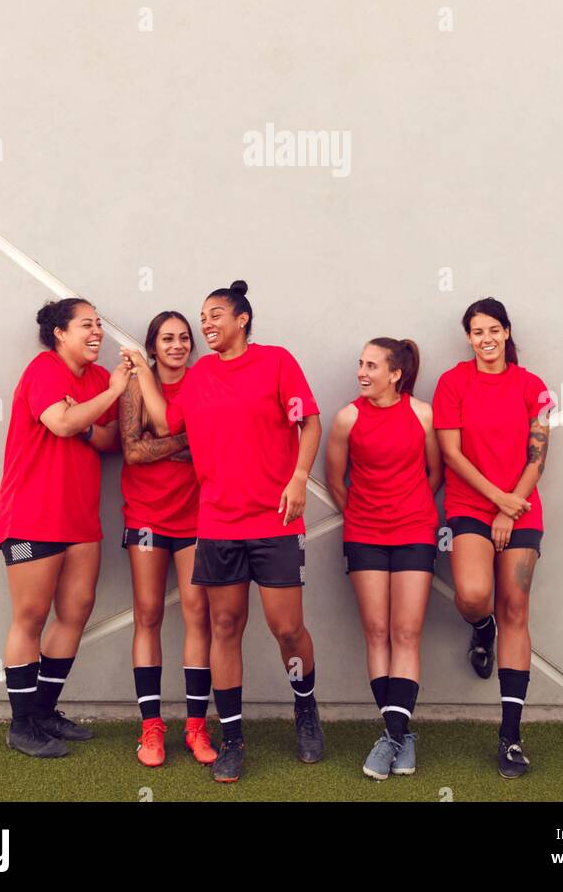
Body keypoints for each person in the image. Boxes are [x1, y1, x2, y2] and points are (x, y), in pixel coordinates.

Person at [124, 280, 324, 783]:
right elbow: (169, 424)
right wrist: (145, 374)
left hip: (275, 522)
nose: (206, 324)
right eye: (202, 316)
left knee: (287, 629)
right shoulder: (200, 376)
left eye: (216, 315)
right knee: (225, 627)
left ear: (243, 320)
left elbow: (311, 423)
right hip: (215, 524)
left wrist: (299, 477)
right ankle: (232, 738)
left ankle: (305, 707)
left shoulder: (277, 361)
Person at [0, 298, 129, 758]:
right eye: (87, 325)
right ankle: (21, 723)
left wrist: (90, 419)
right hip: (32, 515)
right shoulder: (44, 369)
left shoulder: (93, 379)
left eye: (99, 326)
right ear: (60, 333)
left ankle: (45, 710)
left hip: (79, 518)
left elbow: (110, 440)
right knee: (30, 617)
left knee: (76, 611)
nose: (97, 333)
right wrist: (111, 395)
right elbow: (63, 421)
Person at [432, 297, 552, 778]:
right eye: (477, 331)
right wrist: (497, 501)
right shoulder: (452, 382)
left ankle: (510, 737)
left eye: (493, 330)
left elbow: (538, 453)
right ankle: (481, 631)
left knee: (516, 609)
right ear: (469, 337)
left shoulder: (533, 386)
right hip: (469, 505)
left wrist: (512, 505)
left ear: (506, 333)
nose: (485, 338)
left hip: (521, 507)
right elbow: (452, 454)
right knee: (474, 596)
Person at [326, 338, 442, 779]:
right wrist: (365, 514)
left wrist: (408, 509)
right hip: (365, 535)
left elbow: (435, 473)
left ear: (395, 374)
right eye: (360, 363)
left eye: (371, 365)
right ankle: (399, 735)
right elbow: (336, 479)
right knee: (377, 632)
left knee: (406, 632)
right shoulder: (347, 418)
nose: (361, 372)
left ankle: (392, 738)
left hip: (415, 531)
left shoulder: (423, 414)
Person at [119, 311, 216, 767]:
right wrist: (185, 439)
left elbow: (213, 449)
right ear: (152, 346)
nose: (176, 345)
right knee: (149, 613)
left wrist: (170, 437)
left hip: (197, 518)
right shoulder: (139, 383)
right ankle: (150, 728)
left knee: (199, 614)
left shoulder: (203, 383)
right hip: (145, 516)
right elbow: (134, 451)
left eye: (183, 338)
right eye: (166, 339)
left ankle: (196, 726)